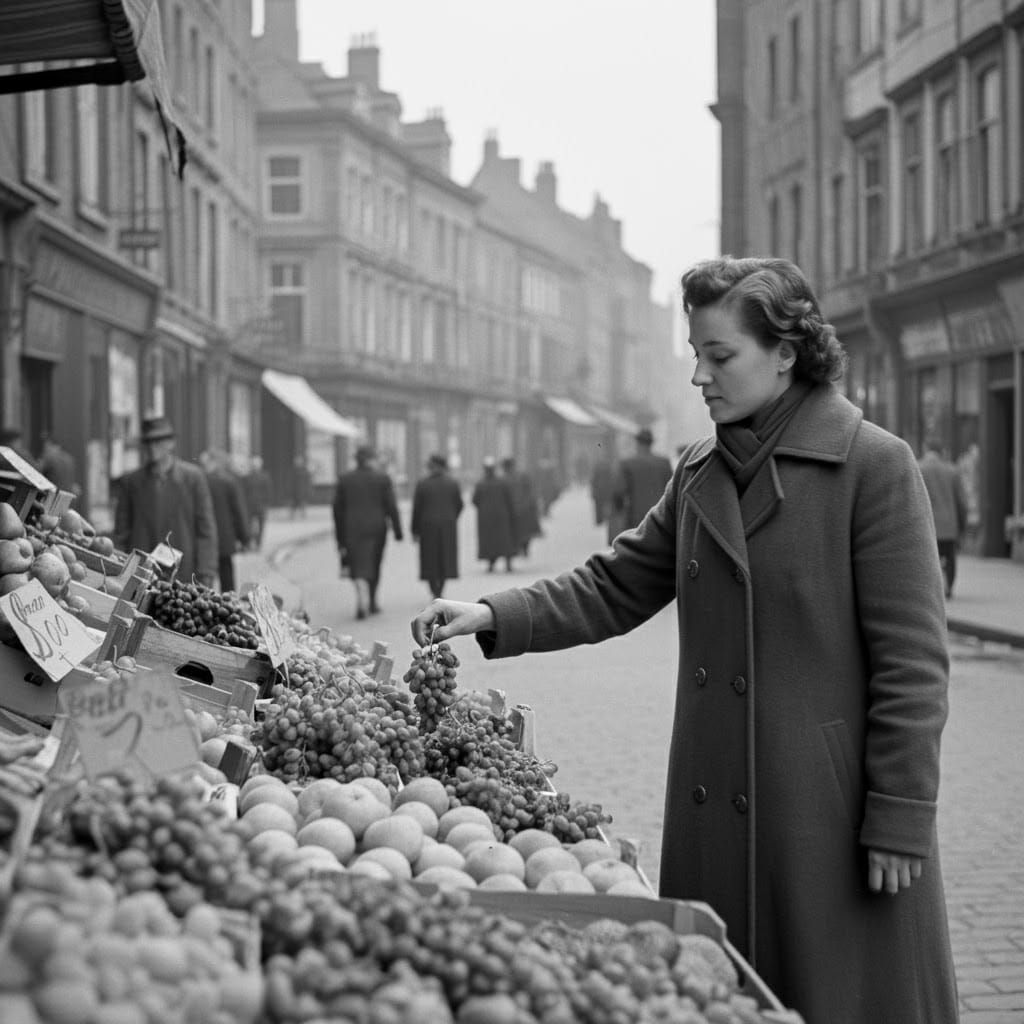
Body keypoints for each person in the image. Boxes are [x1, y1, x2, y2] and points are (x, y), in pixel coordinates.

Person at [411, 256, 957, 1024]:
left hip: (822, 819)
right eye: (696, 353)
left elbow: (914, 667)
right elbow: (614, 583)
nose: (700, 375)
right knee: (721, 995)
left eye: (720, 356)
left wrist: (900, 814)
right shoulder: (699, 470)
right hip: (717, 805)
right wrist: (494, 613)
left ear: (786, 353)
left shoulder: (875, 467)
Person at [113, 416, 218, 587]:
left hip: (184, 573)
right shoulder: (131, 482)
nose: (152, 447)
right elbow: (121, 531)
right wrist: (118, 566)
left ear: (171, 443)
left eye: (158, 441)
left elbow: (206, 529)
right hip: (142, 573)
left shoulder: (193, 478)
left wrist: (206, 572)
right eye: (148, 442)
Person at [332, 444, 403, 619]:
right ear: (371, 459)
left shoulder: (345, 479)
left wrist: (340, 536)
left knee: (356, 563)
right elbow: (391, 506)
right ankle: (371, 599)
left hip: (352, 528)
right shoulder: (382, 478)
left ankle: (361, 589)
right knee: (375, 562)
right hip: (377, 528)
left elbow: (337, 510)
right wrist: (398, 530)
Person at [919, 438, 969, 599]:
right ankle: (949, 588)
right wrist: (962, 525)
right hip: (949, 525)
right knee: (950, 557)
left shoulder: (918, 467)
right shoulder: (952, 470)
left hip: (928, 524)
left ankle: (933, 591)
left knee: (929, 559)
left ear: (926, 449)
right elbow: (961, 502)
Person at [411, 453, 463, 599]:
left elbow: (417, 509)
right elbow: (459, 505)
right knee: (445, 558)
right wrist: (451, 518)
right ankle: (440, 589)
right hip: (447, 526)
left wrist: (415, 530)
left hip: (427, 527)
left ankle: (434, 589)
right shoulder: (452, 483)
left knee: (429, 559)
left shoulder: (423, 484)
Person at [199, 449, 250, 593]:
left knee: (204, 580)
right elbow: (238, 511)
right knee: (227, 581)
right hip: (224, 539)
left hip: (204, 539)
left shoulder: (200, 481)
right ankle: (230, 608)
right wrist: (244, 538)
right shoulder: (228, 482)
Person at [612, 426, 673, 534]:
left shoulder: (627, 464)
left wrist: (619, 512)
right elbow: (673, 491)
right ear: (651, 443)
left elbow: (619, 492)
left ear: (637, 443)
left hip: (636, 518)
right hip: (660, 517)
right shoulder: (664, 463)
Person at [472, 456, 517, 573]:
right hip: (502, 516)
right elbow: (509, 499)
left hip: (486, 517)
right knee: (505, 540)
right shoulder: (502, 483)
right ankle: (508, 563)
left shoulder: (480, 484)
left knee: (490, 541)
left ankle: (491, 563)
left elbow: (475, 500)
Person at [501, 456, 541, 558]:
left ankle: (522, 548)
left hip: (518, 508)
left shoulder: (505, 478)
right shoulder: (519, 476)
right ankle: (522, 548)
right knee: (523, 531)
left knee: (520, 531)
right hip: (521, 508)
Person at [243, 455, 273, 550]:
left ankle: (258, 543)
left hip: (261, 505)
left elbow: (268, 491)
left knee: (261, 526)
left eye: (256, 464)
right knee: (248, 525)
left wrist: (267, 504)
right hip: (249, 505)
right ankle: (250, 541)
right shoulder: (247, 477)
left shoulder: (265, 476)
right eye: (253, 464)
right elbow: (244, 491)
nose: (255, 466)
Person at [589, 452, 615, 527]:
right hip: (606, 489)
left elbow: (593, 480)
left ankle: (599, 520)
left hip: (599, 490)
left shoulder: (597, 467)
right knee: (607, 504)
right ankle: (606, 518)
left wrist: (593, 490)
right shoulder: (609, 467)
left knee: (598, 506)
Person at [290, 454, 310, 519]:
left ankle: (303, 516)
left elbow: (308, 482)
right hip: (295, 491)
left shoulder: (305, 471)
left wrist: (308, 490)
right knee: (293, 505)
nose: (298, 463)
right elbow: (290, 482)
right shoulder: (293, 471)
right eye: (297, 462)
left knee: (303, 504)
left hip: (302, 491)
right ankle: (292, 516)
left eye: (299, 462)